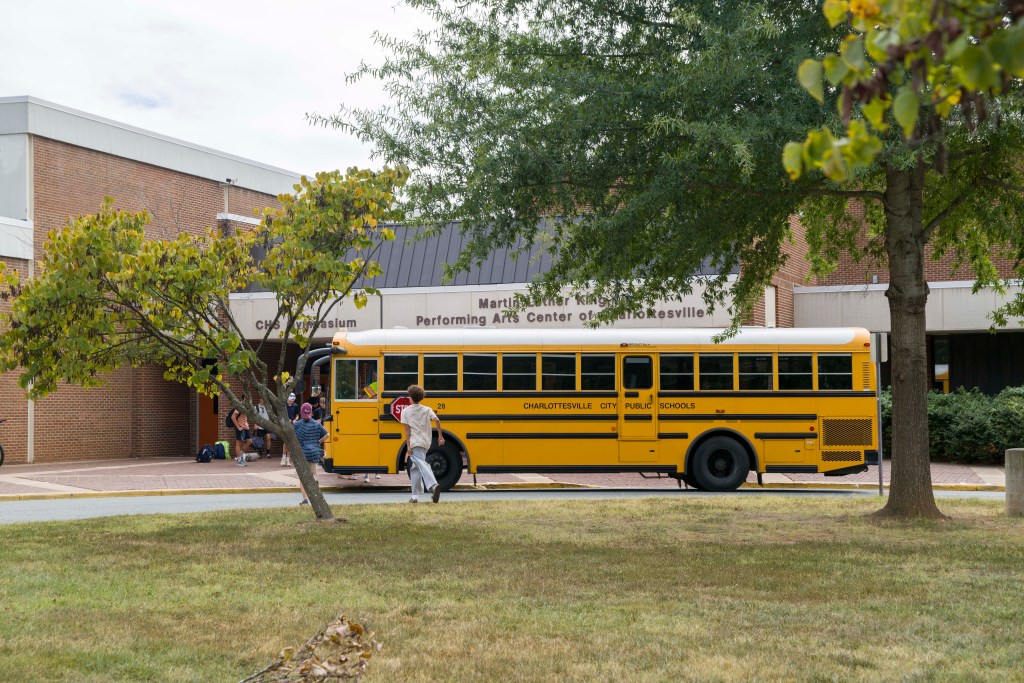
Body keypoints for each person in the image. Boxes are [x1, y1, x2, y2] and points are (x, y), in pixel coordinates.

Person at [399, 384, 443, 503]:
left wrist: (408, 446)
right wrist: (440, 436)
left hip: (415, 442)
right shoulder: (427, 409)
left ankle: (433, 485)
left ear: (410, 397)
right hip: (426, 442)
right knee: (415, 467)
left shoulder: (406, 411)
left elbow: (407, 430)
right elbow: (437, 420)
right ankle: (414, 497)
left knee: (421, 464)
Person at [294, 402, 329, 506]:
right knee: (312, 476)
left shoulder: (297, 424)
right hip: (314, 453)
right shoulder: (316, 424)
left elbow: (292, 437)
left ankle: (305, 500)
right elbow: (327, 434)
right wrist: (318, 442)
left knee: (303, 477)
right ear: (311, 413)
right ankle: (314, 489)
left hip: (303, 453)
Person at [281, 393, 298, 467]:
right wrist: (286, 419)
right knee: (286, 442)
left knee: (290, 442)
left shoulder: (295, 406)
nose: (291, 402)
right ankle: (284, 457)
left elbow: (297, 415)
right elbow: (281, 415)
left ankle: (288, 459)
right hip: (285, 425)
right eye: (290, 400)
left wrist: (295, 419)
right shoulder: (284, 405)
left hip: (293, 424)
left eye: (292, 401)